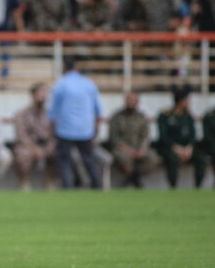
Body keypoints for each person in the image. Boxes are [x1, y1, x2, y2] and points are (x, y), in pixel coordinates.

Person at [49, 58, 103, 190]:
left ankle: (68, 187)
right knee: (88, 159)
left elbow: (53, 112)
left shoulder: (60, 85)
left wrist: (52, 130)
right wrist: (96, 127)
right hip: (85, 129)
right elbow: (98, 110)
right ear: (76, 68)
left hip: (65, 129)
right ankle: (98, 186)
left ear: (64, 68)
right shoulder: (89, 84)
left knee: (64, 161)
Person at [157, 88, 206, 188]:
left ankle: (198, 187)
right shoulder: (165, 115)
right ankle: (173, 187)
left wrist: (189, 148)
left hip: (187, 148)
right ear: (180, 101)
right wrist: (177, 149)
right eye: (187, 99)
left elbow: (193, 135)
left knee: (201, 158)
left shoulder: (188, 116)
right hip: (171, 148)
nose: (188, 102)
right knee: (172, 158)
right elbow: (163, 136)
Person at [109, 92, 160, 188]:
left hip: (138, 148)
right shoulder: (117, 117)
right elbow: (114, 138)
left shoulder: (141, 117)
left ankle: (132, 178)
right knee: (124, 159)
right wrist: (128, 150)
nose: (131, 103)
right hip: (123, 149)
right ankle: (135, 181)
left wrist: (142, 149)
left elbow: (146, 136)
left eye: (134, 101)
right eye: (129, 100)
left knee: (153, 158)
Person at [13, 82, 57, 190]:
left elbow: (54, 134)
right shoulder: (21, 114)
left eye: (45, 93)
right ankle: (24, 183)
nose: (43, 95)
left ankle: (49, 182)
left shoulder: (50, 114)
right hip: (28, 145)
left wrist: (51, 145)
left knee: (60, 152)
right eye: (40, 92)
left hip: (46, 145)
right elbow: (21, 136)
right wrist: (35, 148)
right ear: (33, 95)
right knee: (22, 154)